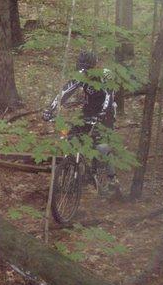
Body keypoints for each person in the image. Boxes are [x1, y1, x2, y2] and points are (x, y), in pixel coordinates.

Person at [42, 50, 120, 196]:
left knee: (102, 146)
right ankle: (73, 168)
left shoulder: (105, 75)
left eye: (86, 68)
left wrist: (102, 114)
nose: (83, 71)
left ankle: (111, 177)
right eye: (81, 67)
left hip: (107, 113)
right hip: (88, 111)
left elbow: (109, 96)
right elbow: (65, 92)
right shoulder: (80, 75)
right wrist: (50, 109)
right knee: (70, 136)